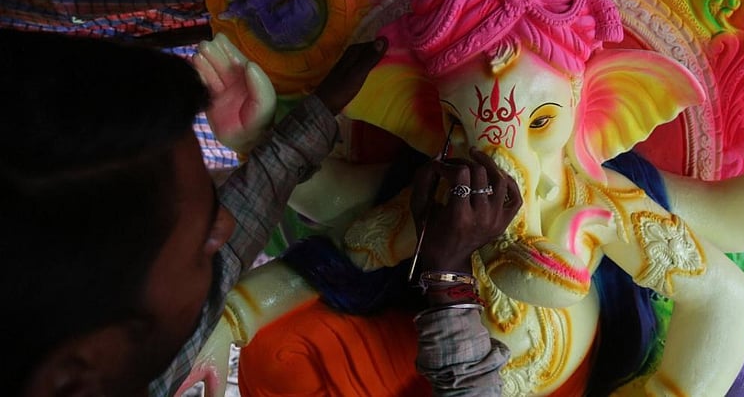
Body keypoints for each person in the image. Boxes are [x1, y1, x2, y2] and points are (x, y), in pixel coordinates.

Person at [0, 27, 521, 397]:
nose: (225, 228)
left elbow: (231, 235)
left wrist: (299, 124)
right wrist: (448, 277)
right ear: (74, 379)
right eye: (200, 246)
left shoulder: (92, 357)